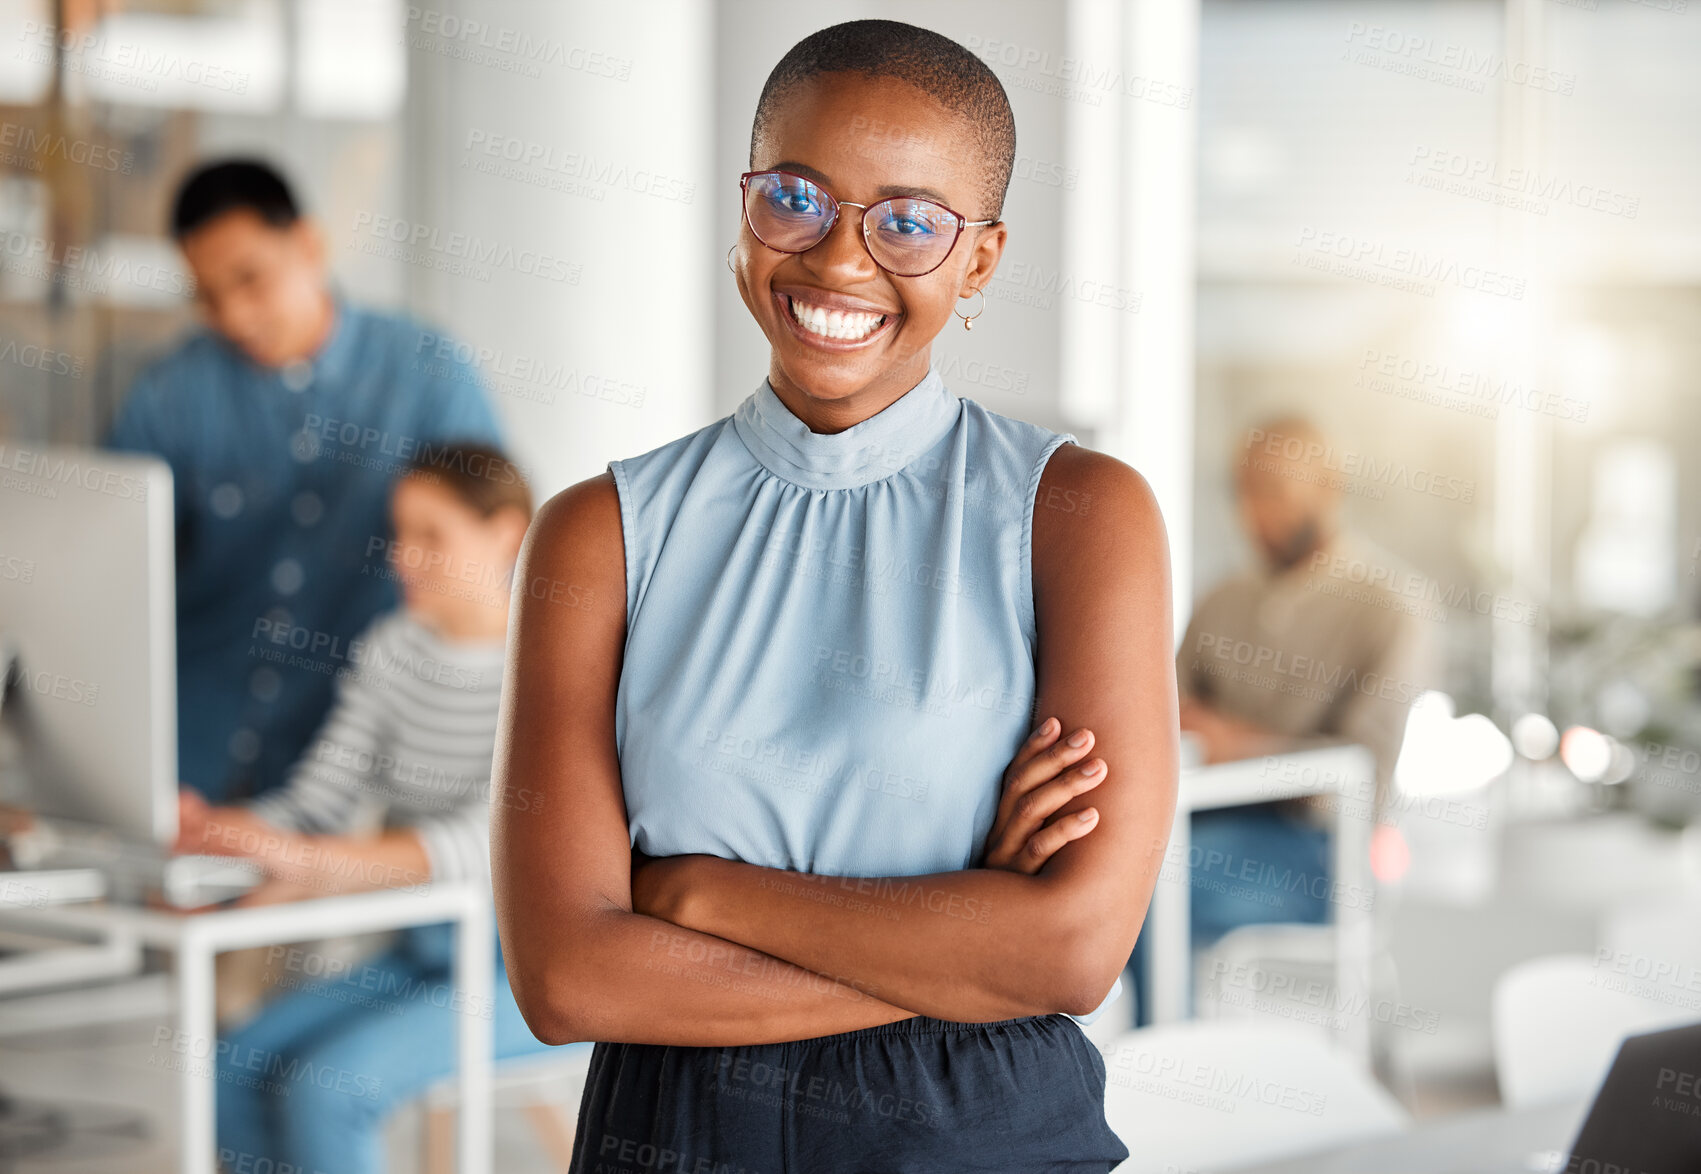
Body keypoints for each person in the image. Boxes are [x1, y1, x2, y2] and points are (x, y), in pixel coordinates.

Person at [492, 19, 1178, 1172]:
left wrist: (697, 892)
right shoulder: (601, 533)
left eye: (909, 221)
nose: (842, 261)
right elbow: (566, 978)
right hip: (676, 1138)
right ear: (744, 208)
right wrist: (961, 941)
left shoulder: (1081, 513)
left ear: (981, 261)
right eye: (796, 197)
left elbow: (1069, 951)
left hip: (984, 1136)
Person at [174, 442, 564, 1174]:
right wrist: (228, 836)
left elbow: (489, 840)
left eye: (430, 536)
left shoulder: (553, 656)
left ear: (506, 533)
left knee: (325, 1094)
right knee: (230, 1065)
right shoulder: (391, 651)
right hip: (424, 954)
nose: (402, 559)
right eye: (398, 535)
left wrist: (309, 864)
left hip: (530, 976)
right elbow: (316, 803)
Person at [106, 158, 504, 806]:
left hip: (354, 769)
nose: (233, 316)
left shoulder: (429, 375)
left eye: (250, 279)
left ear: (310, 245)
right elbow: (107, 563)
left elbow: (486, 555)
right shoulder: (170, 394)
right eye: (207, 296)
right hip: (185, 758)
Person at [1127, 414, 1439, 1025]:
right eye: (1242, 491)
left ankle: (1167, 1075)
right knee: (1115, 862)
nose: (1253, 513)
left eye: (1272, 490)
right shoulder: (1223, 601)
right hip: (1201, 825)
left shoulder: (1390, 607)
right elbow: (1165, 718)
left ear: (1328, 487)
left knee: (1147, 881)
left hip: (1324, 857)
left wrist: (1233, 742)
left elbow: (1361, 776)